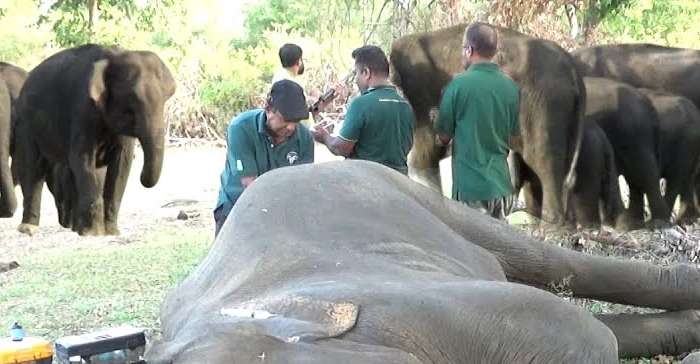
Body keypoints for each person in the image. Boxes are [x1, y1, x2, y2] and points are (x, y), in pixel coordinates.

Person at [434, 22, 521, 218]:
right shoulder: (510, 88)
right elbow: (514, 137)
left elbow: (443, 136)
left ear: (469, 50)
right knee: (499, 247)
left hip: (471, 190)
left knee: (469, 248)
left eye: (463, 48)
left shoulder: (457, 86)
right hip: (502, 187)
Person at [213, 80, 315, 236]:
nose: (291, 127)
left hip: (282, 211)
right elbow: (250, 185)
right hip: (236, 205)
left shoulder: (304, 138)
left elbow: (301, 186)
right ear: (268, 109)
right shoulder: (240, 128)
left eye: (296, 121)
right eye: (286, 120)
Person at [313, 45, 414, 174]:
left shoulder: (361, 104)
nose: (356, 80)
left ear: (366, 72)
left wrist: (324, 137)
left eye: (356, 73)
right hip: (400, 181)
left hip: (367, 184)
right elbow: (407, 146)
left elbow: (341, 148)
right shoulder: (405, 105)